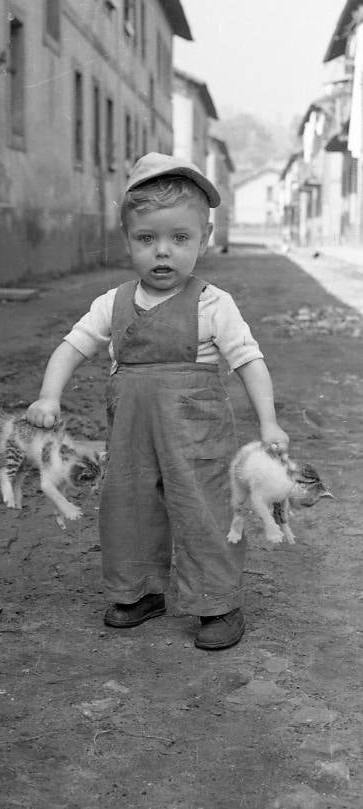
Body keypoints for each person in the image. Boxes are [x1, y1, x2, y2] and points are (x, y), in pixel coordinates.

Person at [27, 152, 289, 650]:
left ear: (204, 239)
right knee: (127, 506)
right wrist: (49, 394)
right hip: (131, 435)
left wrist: (269, 422)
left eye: (180, 238)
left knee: (203, 509)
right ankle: (140, 590)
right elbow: (72, 346)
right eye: (147, 239)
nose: (162, 253)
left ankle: (218, 602)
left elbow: (250, 361)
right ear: (128, 240)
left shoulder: (213, 303)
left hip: (198, 438)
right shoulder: (113, 302)